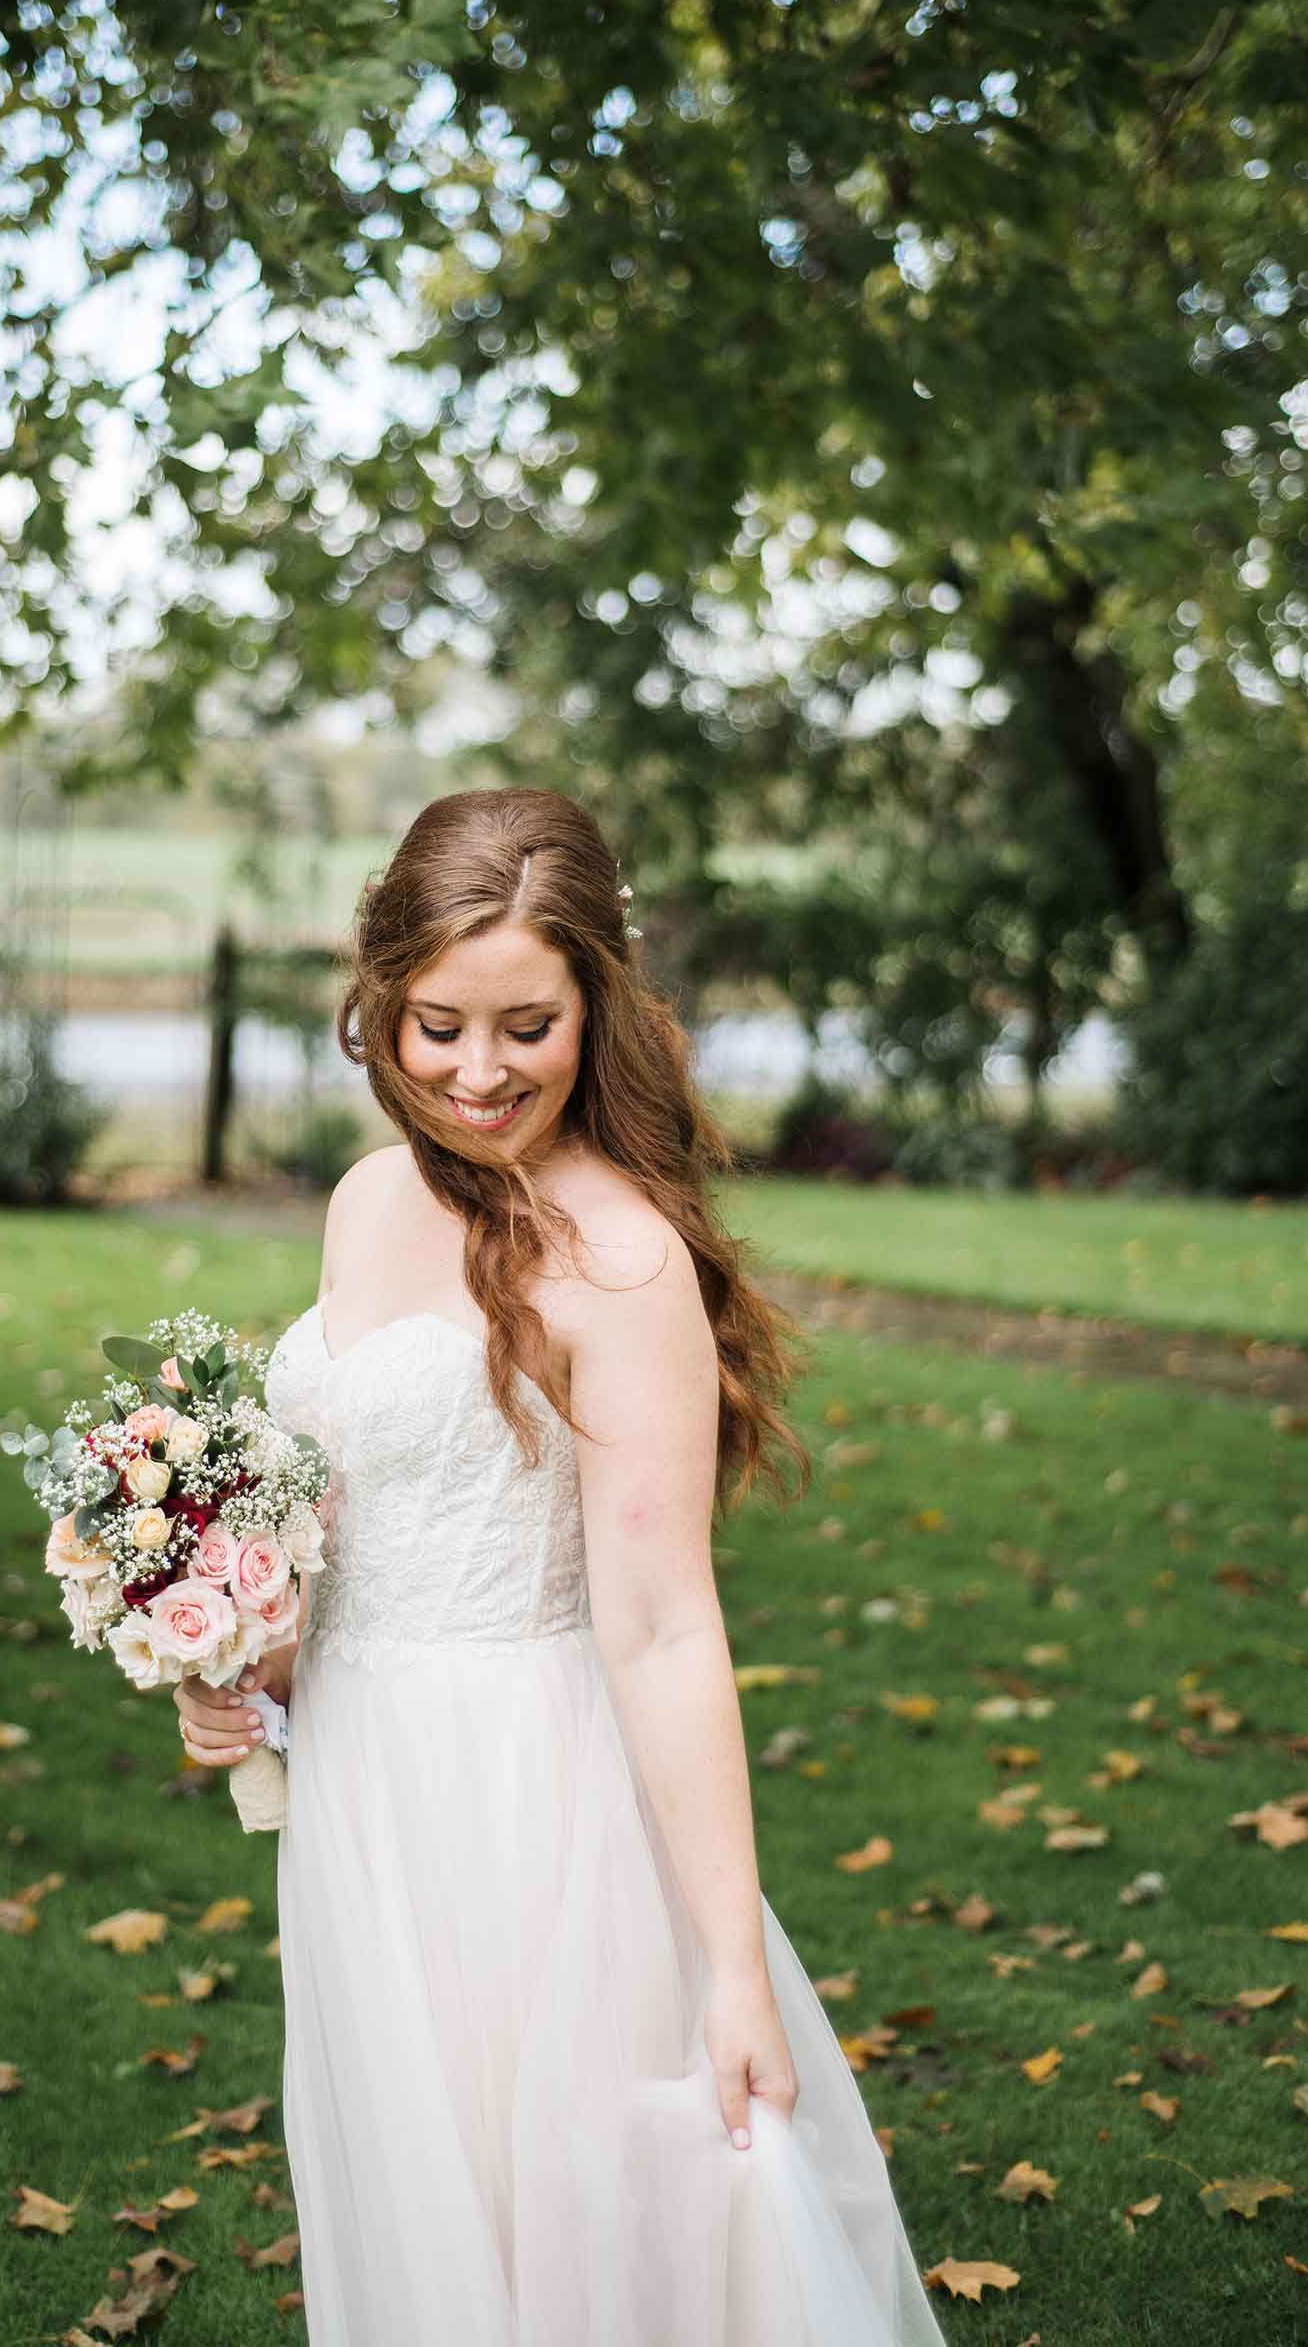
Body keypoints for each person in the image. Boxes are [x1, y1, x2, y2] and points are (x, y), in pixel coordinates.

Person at [176, 786, 949, 2346]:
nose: (478, 1074)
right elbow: (352, 1515)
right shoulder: (367, 1201)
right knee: (416, 2203)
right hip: (361, 1801)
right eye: (437, 1026)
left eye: (527, 1025)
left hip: (533, 1805)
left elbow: (662, 1628)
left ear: (600, 1001)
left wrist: (733, 1964)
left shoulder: (622, 1261)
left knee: (573, 2227)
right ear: (381, 1005)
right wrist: (247, 1669)